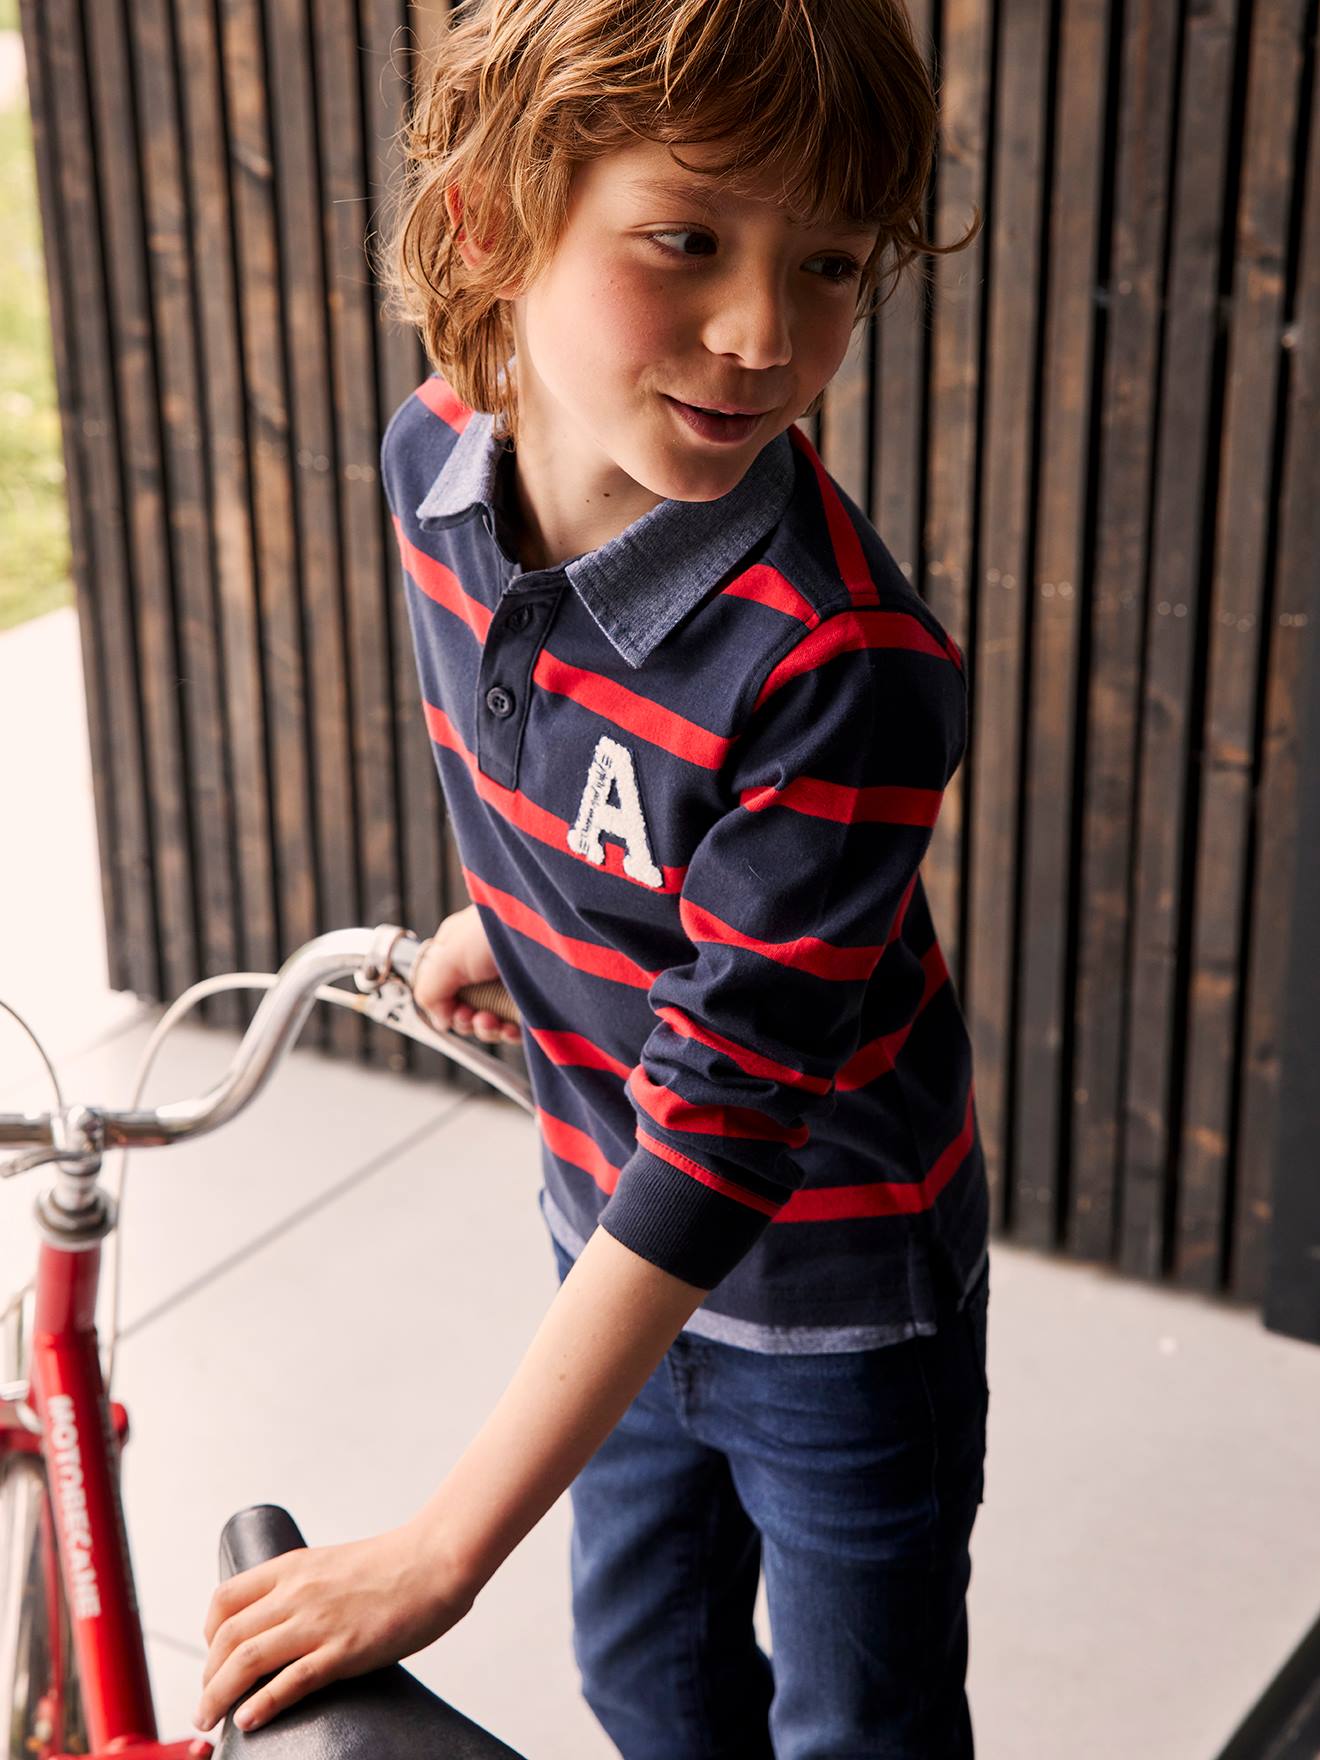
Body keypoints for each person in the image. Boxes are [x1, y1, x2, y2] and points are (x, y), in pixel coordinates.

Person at [194, 0, 990, 1751]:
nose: (767, 332)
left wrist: (438, 1551)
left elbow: (726, 1132)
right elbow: (558, 768)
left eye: (835, 265)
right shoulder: (433, 467)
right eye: (687, 239)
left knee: (861, 1726)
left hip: (836, 1306)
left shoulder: (837, 664)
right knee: (650, 1689)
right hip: (601, 1242)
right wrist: (528, 917)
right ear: (493, 215)